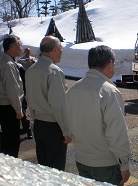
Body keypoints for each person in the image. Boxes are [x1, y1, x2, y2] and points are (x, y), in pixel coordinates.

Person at [65, 45, 131, 186]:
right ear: (109, 63)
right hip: (105, 164)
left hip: (82, 160)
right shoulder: (109, 92)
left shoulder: (74, 89)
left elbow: (68, 123)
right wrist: (124, 164)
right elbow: (117, 133)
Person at [25, 36, 71, 171]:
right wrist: (66, 130)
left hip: (38, 124)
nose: (62, 51)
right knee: (56, 169)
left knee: (44, 168)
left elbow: (28, 97)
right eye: (61, 49)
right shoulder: (54, 71)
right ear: (55, 50)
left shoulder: (31, 70)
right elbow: (58, 105)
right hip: (53, 127)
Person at [0, 35, 24, 158]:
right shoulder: (8, 64)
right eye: (19, 45)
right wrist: (18, 110)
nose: (21, 48)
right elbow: (12, 90)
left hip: (3, 106)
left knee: (7, 139)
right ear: (12, 46)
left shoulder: (3, 61)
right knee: (12, 142)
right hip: (9, 107)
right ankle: (11, 169)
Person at [15, 62, 33, 139]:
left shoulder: (19, 68)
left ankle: (28, 131)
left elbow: (25, 83)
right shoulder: (10, 67)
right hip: (14, 95)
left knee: (23, 114)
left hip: (21, 95)